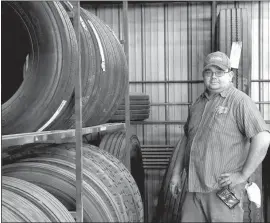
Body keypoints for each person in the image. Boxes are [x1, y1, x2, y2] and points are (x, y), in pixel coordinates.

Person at [170, 51, 270, 222]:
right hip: (194, 188)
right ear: (203, 75)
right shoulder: (198, 104)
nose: (214, 77)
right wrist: (176, 174)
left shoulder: (240, 102)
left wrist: (243, 175)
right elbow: (186, 139)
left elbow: (263, 139)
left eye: (220, 72)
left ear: (230, 75)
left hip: (223, 191)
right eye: (209, 72)